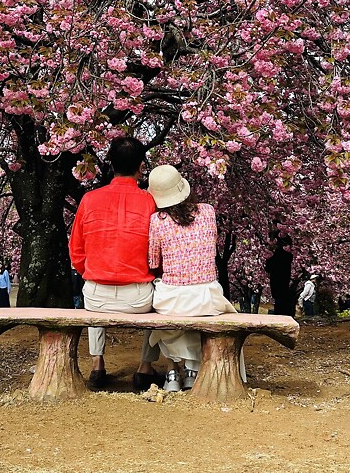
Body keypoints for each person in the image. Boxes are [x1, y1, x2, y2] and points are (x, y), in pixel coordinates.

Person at [69, 136, 163, 390]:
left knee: (92, 295)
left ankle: (97, 363)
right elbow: (158, 256)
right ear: (141, 166)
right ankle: (145, 367)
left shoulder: (89, 200)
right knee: (161, 298)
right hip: (138, 299)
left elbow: (76, 251)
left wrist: (93, 273)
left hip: (96, 296)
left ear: (110, 164)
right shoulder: (150, 202)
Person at [146, 164, 242, 392]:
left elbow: (153, 262)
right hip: (207, 296)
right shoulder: (208, 211)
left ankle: (172, 373)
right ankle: (192, 371)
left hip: (173, 299)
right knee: (194, 311)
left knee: (167, 313)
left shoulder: (157, 220)